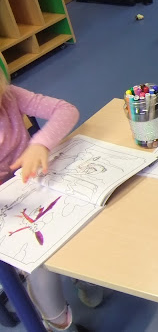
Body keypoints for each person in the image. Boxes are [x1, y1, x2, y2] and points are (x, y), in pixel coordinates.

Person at [0, 71, 103, 331]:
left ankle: (84, 277)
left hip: (35, 187)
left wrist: (40, 144)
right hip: (8, 210)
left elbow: (66, 110)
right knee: (41, 262)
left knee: (84, 219)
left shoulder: (10, 96)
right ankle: (58, 321)